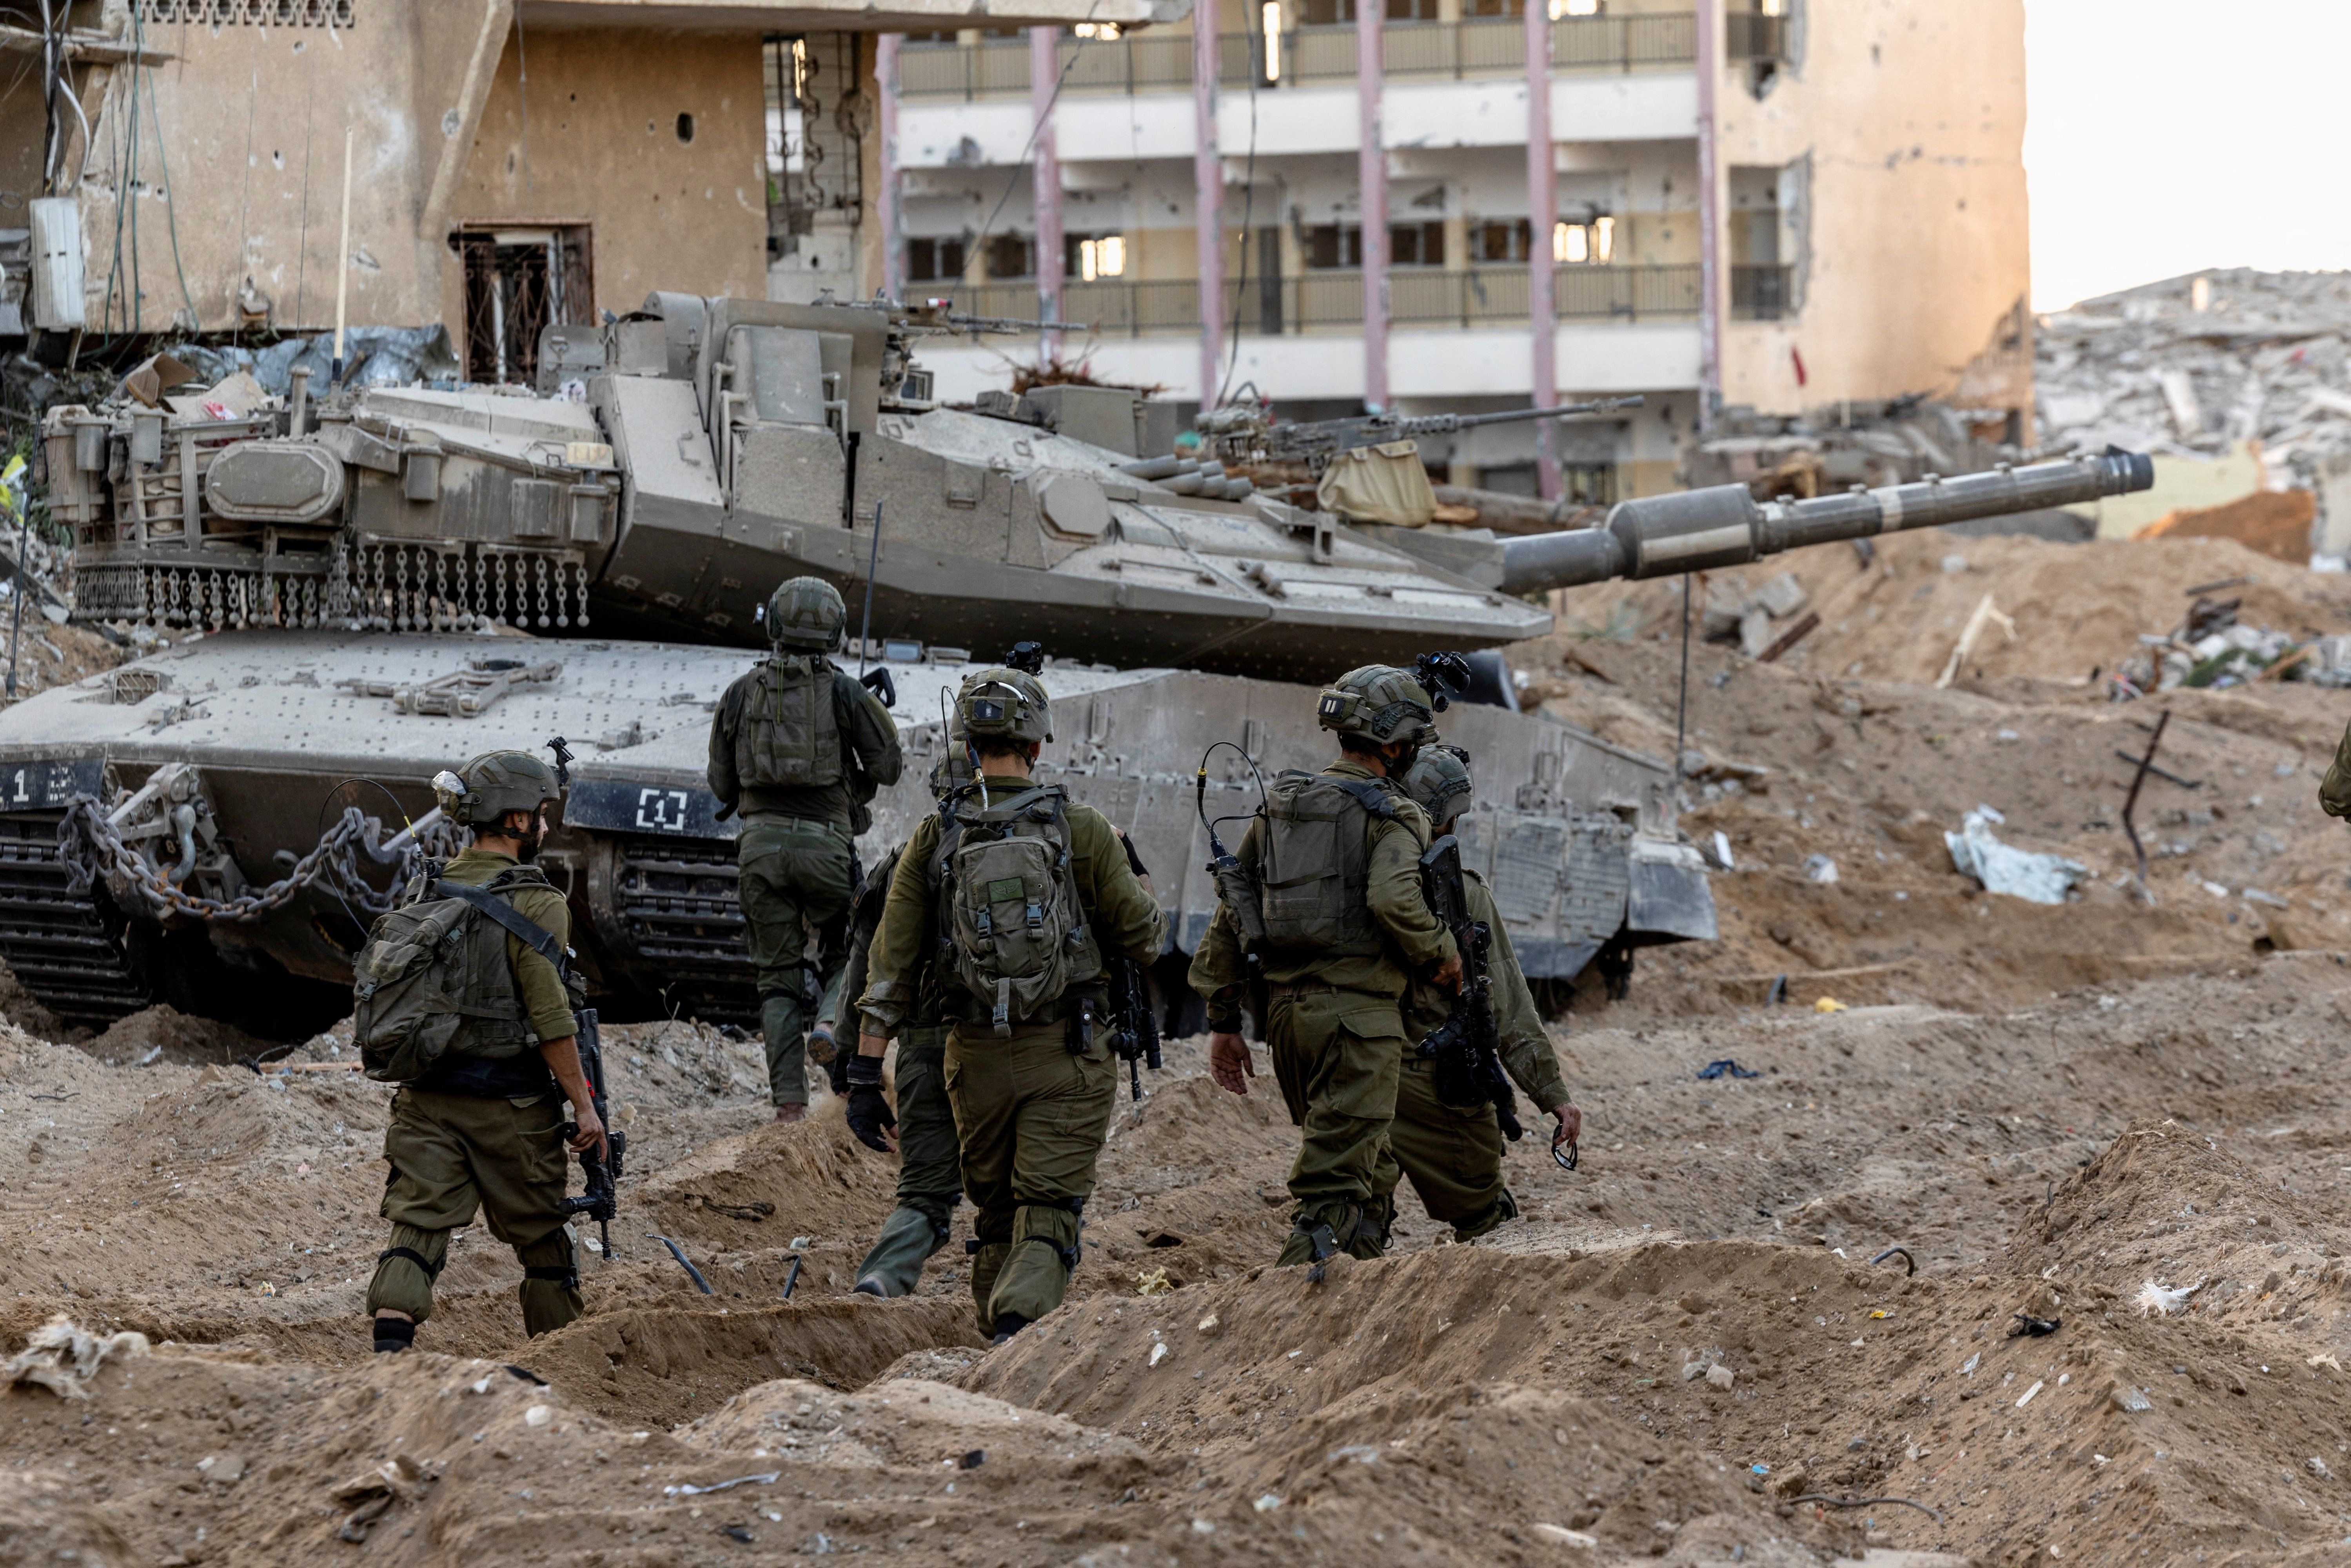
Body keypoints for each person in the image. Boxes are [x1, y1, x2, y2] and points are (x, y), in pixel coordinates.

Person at [855, 666, 1164, 1341]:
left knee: (996, 1214)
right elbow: (1143, 938)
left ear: (969, 745)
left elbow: (891, 967)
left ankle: (991, 1340)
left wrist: (862, 1075)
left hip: (974, 1061)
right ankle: (1016, 1327)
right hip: (1069, 1054)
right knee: (1047, 1211)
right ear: (1037, 745)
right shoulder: (1081, 829)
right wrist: (1135, 874)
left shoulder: (933, 838)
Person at [1189, 664, 1460, 1269]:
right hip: (1358, 1025)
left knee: (1367, 1167)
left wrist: (1224, 1019)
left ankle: (1352, 1303)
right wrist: (1444, 954)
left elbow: (1233, 910)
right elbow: (1393, 900)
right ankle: (1287, 1317)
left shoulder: (1283, 805)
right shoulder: (1395, 814)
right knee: (1333, 1191)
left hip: (1289, 1022)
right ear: (1395, 743)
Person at [365, 750, 608, 1353]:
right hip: (512, 1110)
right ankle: (564, 1371)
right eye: (541, 814)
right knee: (547, 1247)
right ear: (517, 822)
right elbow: (552, 1021)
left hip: (425, 1101)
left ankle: (387, 1365)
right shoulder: (540, 902)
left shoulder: (431, 888)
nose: (547, 827)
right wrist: (584, 1106)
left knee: (415, 1232)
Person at [708, 576, 904, 1123]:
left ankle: (789, 1106)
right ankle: (826, 1025)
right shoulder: (846, 693)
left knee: (776, 978)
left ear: (773, 626)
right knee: (849, 951)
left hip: (760, 850)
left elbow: (722, 786)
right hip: (826, 847)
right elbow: (889, 767)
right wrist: (851, 778)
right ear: (835, 633)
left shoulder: (741, 692)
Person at [1377, 744, 1581, 1241]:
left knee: (1349, 1212)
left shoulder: (1354, 879)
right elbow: (1505, 999)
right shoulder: (1460, 893)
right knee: (1487, 1216)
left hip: (1349, 1067)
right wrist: (1552, 1094)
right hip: (1429, 1079)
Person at [836, 753, 975, 1299]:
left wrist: (857, 1069)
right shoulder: (1047, 845)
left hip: (923, 1048)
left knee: (922, 1193)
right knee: (1025, 1194)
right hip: (1012, 1047)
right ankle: (1015, 1311)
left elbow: (867, 965)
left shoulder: (903, 861)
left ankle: (883, 1276)